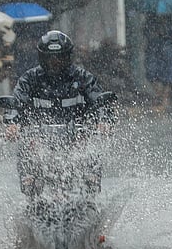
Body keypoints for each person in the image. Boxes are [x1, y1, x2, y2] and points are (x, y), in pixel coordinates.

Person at [7, 30, 109, 194]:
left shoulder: (82, 77)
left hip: (76, 136)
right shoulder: (30, 79)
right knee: (25, 145)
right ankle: (29, 185)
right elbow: (16, 103)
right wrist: (13, 124)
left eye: (59, 57)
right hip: (40, 137)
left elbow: (99, 100)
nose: (55, 62)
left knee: (92, 147)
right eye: (50, 58)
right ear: (42, 58)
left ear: (68, 56)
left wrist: (102, 121)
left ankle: (92, 185)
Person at [143, 11, 172, 106]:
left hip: (162, 47)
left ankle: (163, 96)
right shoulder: (152, 18)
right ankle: (161, 96)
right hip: (158, 47)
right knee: (156, 72)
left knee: (167, 73)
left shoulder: (166, 18)